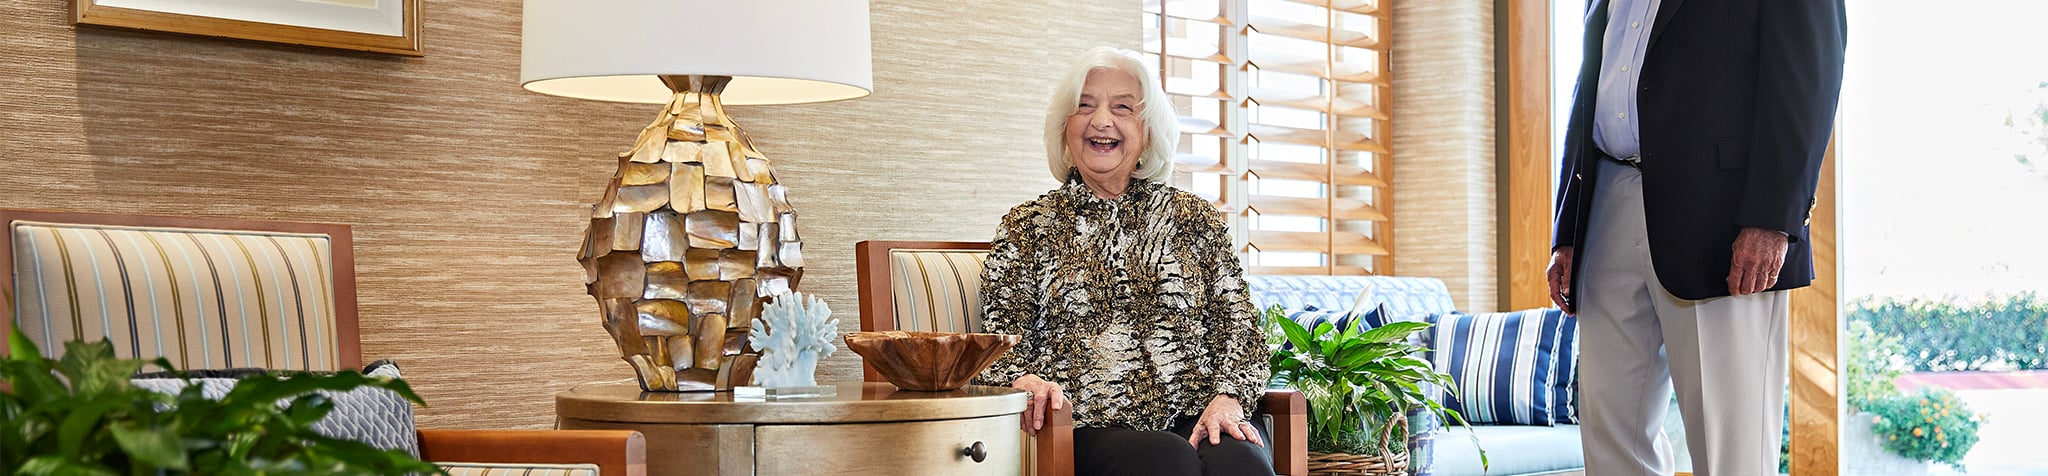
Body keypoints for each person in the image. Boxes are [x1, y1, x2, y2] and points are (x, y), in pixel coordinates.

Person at [1546, 1, 1846, 475]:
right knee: (1610, 438)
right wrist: (1567, 230)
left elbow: (1811, 74)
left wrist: (1772, 219)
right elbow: (1590, 85)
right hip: (1605, 201)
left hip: (1724, 220)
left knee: (1732, 448)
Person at [972, 46, 1274, 476]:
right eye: (1085, 106)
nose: (1101, 121)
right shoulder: (1028, 227)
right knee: (1166, 460)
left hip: (1199, 411)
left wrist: (1228, 397)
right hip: (1084, 425)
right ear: (1065, 128)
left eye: (1122, 107)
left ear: (1148, 131)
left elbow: (1241, 332)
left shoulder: (1195, 220)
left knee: (1241, 462)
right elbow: (1000, 342)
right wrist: (1025, 380)